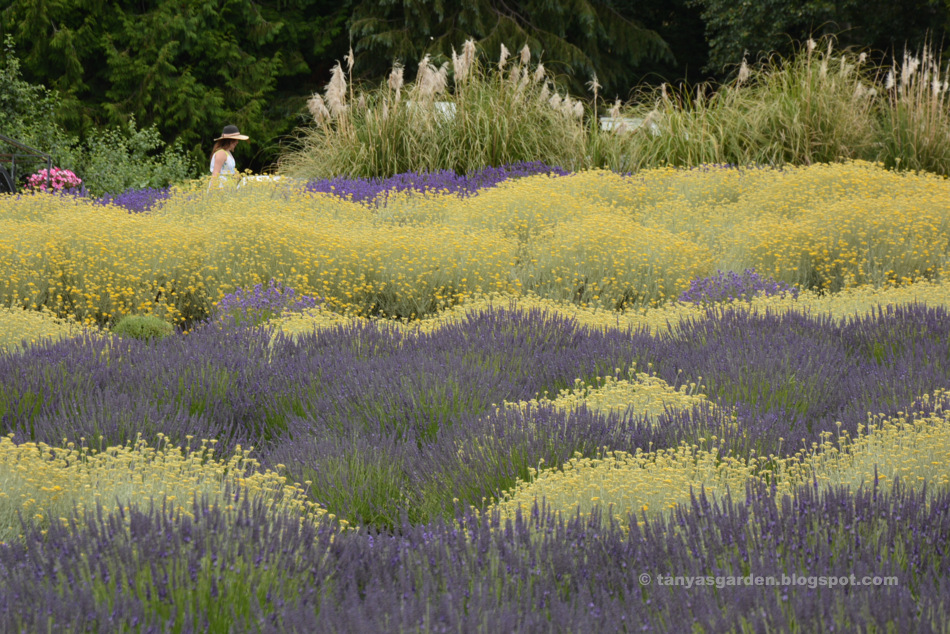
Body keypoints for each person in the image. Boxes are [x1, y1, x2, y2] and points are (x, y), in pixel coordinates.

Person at [209, 124, 249, 189]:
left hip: (228, 186)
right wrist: (212, 192)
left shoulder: (228, 153)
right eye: (235, 140)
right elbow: (215, 173)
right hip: (220, 187)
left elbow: (229, 170)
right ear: (229, 140)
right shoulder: (221, 153)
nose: (237, 142)